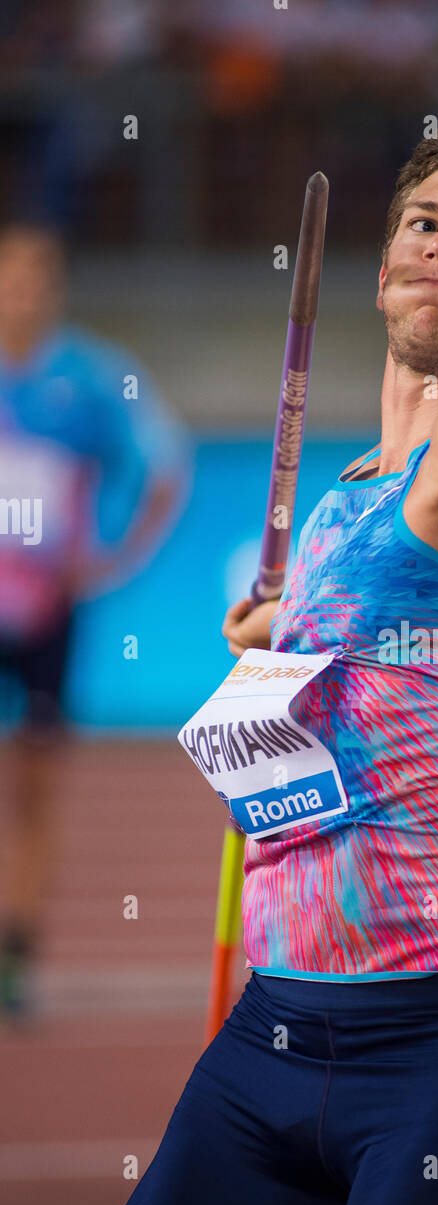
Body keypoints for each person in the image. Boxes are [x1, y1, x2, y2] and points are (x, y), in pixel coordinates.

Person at [78, 115, 438, 1205]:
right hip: (276, 1036)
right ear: (381, 272)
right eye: (424, 226)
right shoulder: (354, 493)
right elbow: (415, 630)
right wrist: (294, 644)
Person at [0, 221, 189, 1017]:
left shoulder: (94, 377)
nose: (25, 293)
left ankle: (15, 952)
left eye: (39, 278)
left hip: (48, 612)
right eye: (12, 277)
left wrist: (112, 560)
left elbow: (166, 469)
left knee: (35, 787)